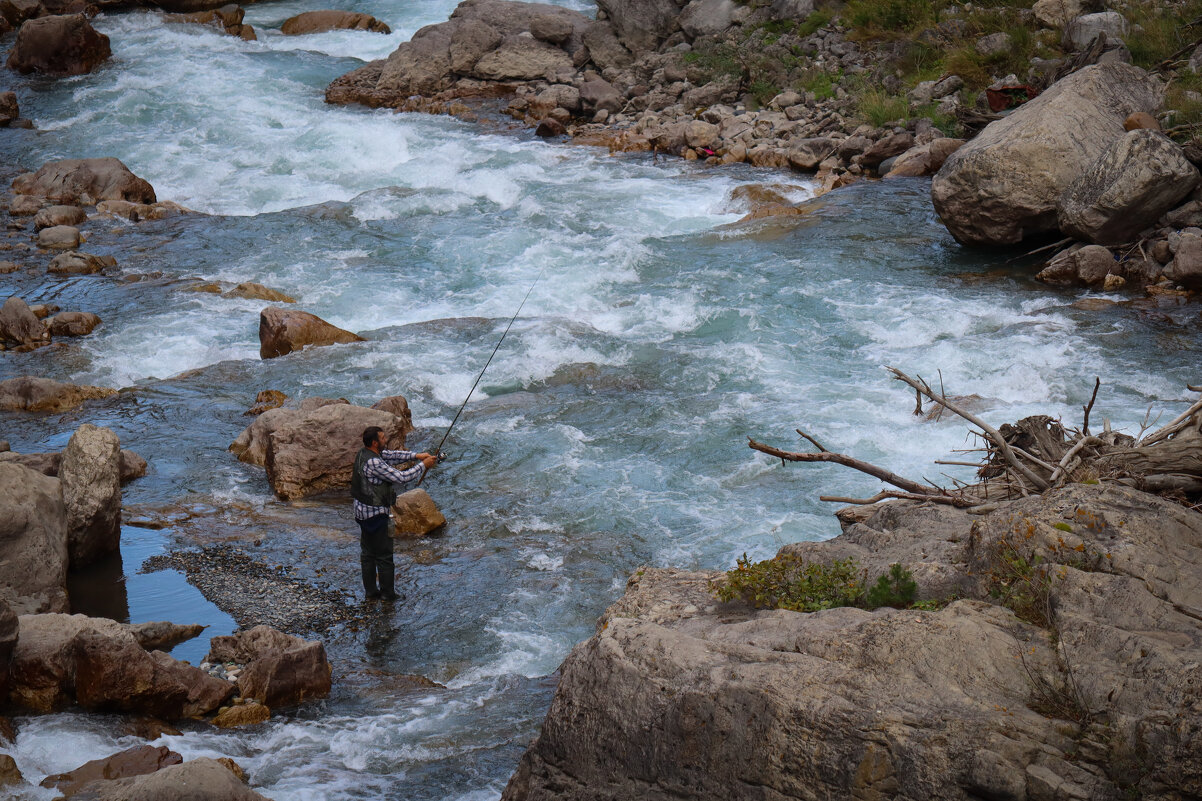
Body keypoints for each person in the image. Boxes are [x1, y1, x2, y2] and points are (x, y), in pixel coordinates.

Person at [351, 426, 438, 601]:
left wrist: (416, 456)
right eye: (383, 438)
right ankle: (388, 595)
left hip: (361, 512)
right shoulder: (374, 463)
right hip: (375, 515)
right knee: (384, 556)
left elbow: (391, 456)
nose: (385, 440)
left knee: (367, 554)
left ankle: (371, 592)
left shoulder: (364, 453)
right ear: (375, 442)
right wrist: (423, 465)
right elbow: (401, 477)